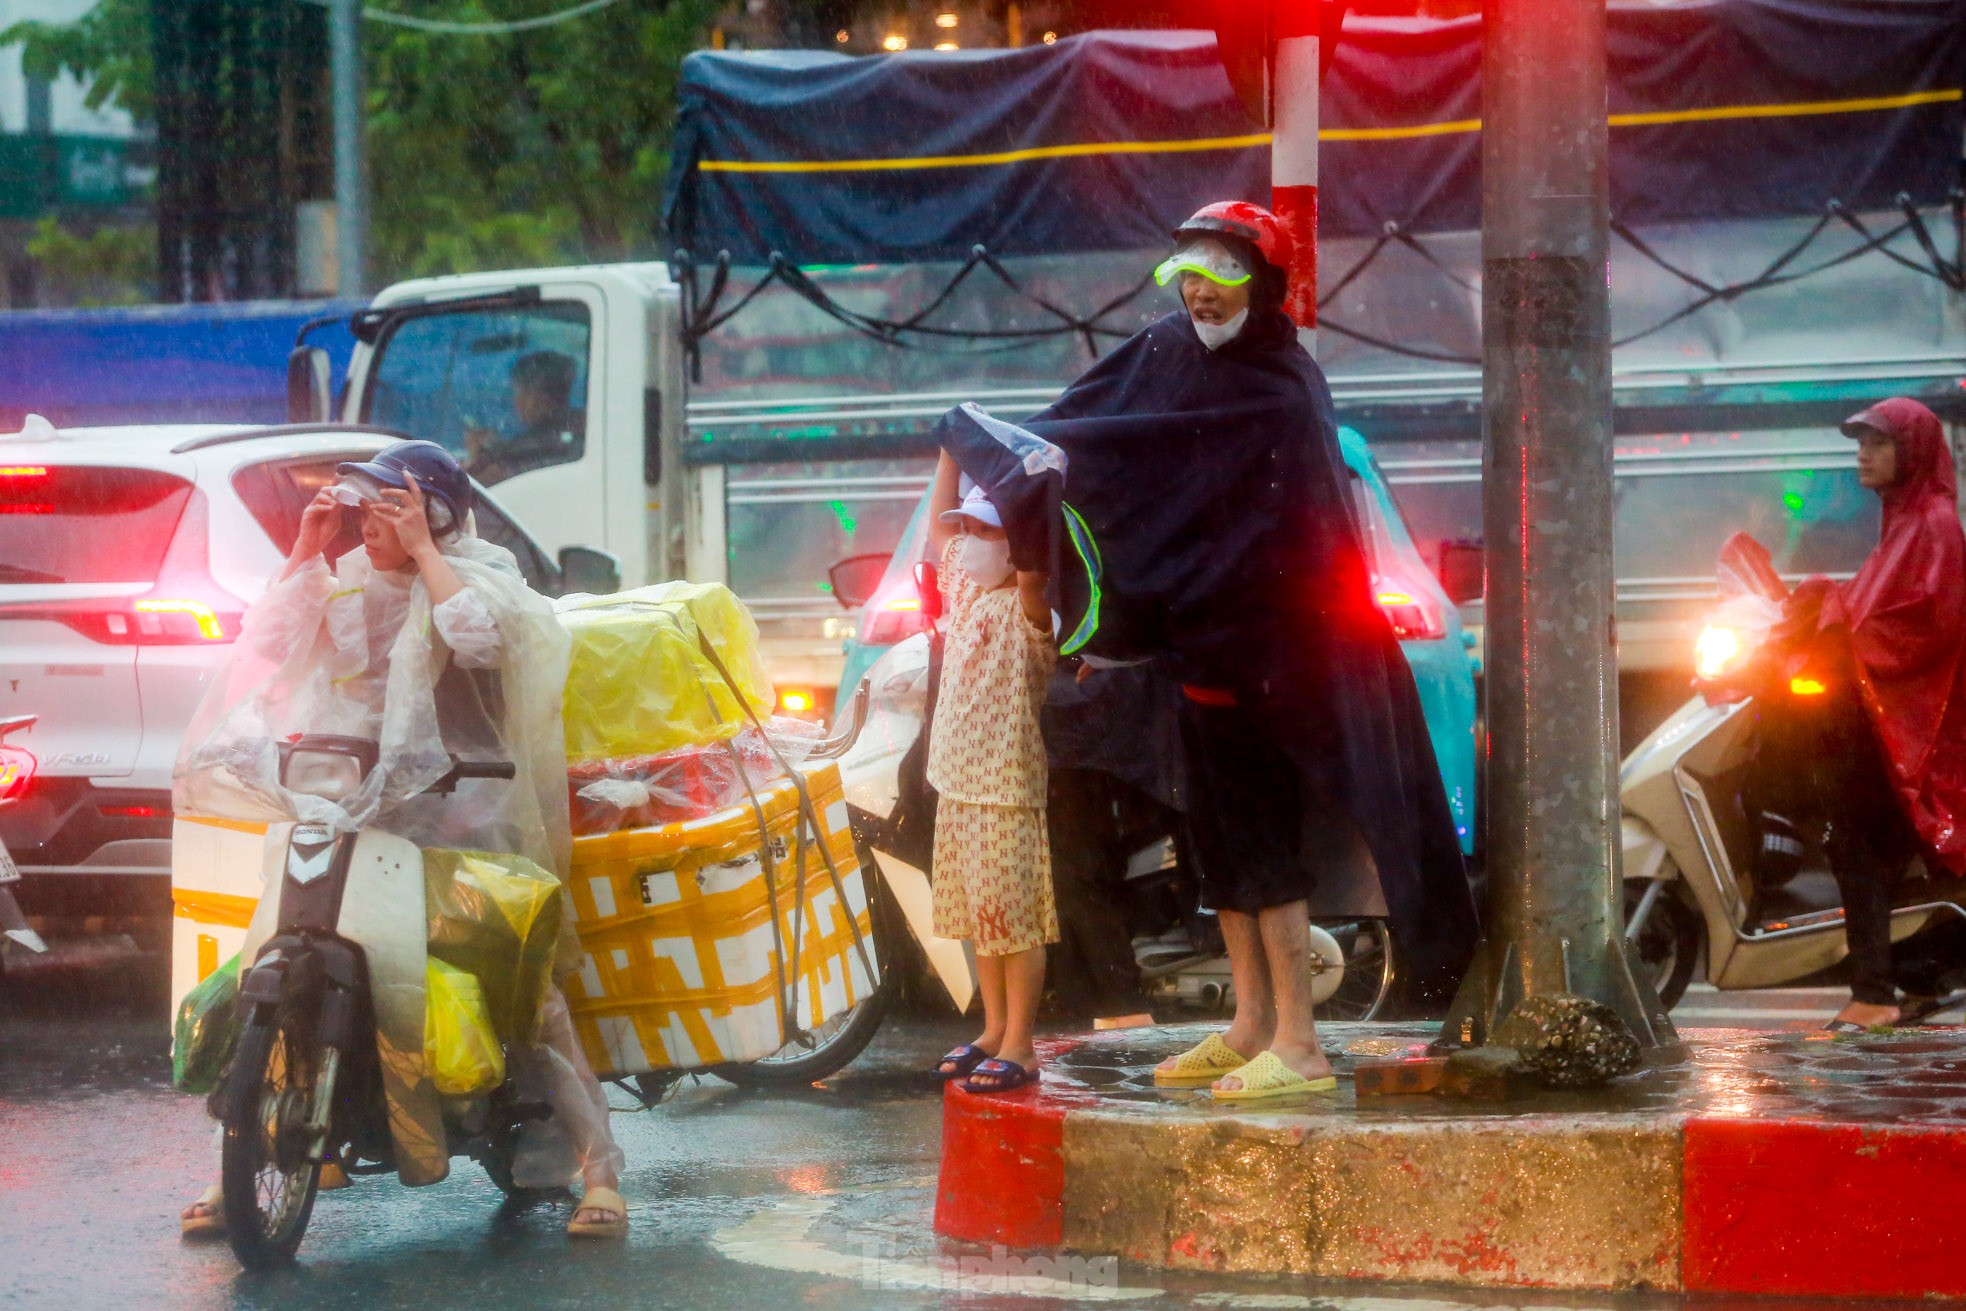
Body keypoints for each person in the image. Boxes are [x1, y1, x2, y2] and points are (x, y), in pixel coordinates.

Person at [935, 201, 1477, 1101]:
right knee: (1220, 853)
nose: (1197, 293)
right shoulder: (1164, 353)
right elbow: (1087, 435)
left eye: (1218, 278)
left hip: (1280, 661)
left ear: (1260, 287)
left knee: (1270, 854)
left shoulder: (1282, 385)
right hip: (1200, 660)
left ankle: (1298, 1043)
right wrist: (993, 448)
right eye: (1186, 277)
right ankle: (1248, 1025)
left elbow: (1293, 530)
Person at [177, 440, 628, 1239]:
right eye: (368, 505)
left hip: (460, 816)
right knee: (278, 947)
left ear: (439, 513)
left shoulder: (478, 574)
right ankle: (241, 1158)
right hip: (347, 805)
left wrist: (425, 550)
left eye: (394, 505)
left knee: (529, 994)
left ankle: (600, 1167)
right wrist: (305, 549)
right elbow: (269, 644)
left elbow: (484, 638)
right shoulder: (342, 576)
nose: (371, 520)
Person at [1756, 399, 1966, 1030]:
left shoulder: (1932, 524)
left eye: (1877, 443)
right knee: (1882, 853)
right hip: (1883, 720)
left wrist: (1833, 612)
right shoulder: (1905, 524)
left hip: (1906, 727)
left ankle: (1875, 992)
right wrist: (1826, 601)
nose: (1862, 455)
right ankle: (1915, 978)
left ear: (1914, 451)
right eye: (1860, 444)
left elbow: (1925, 624)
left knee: (1858, 848)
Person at [923, 458, 1060, 1094]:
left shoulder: (1031, 612)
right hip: (958, 779)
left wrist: (1029, 493)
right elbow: (937, 536)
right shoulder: (968, 591)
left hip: (1005, 784)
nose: (971, 545)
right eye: (970, 532)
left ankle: (1022, 1045)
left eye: (986, 533)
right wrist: (950, 461)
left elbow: (1034, 566)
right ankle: (993, 1027)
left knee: (1014, 919)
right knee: (983, 918)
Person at [464, 349, 583, 485]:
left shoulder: (543, 445)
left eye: (519, 391)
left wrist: (474, 455)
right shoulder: (574, 432)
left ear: (538, 396)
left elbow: (477, 486)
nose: (517, 401)